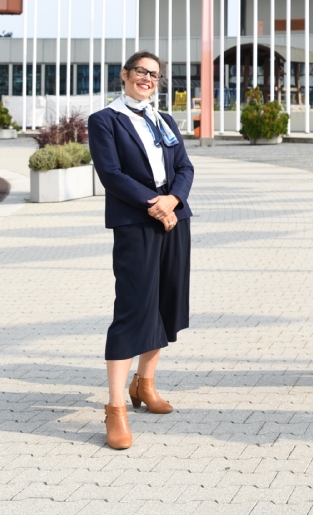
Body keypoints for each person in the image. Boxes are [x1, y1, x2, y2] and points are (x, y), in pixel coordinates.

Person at [88, 51, 194, 450]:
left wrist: (173, 202)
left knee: (166, 303)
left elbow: (184, 168)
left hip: (174, 219)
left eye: (155, 75)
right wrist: (155, 204)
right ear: (125, 75)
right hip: (136, 223)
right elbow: (111, 175)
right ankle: (116, 408)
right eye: (142, 72)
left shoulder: (164, 120)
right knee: (133, 308)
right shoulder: (105, 120)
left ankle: (145, 384)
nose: (148, 79)